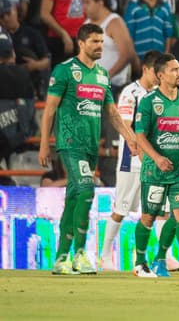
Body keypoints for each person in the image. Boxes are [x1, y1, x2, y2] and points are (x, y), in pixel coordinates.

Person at [39, 24, 139, 275]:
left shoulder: (102, 75)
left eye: (101, 42)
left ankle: (61, 258)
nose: (99, 46)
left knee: (74, 197)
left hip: (90, 144)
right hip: (70, 143)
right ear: (80, 43)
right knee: (86, 190)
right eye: (94, 41)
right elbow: (49, 110)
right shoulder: (65, 71)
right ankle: (81, 254)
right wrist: (44, 145)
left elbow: (112, 112)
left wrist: (129, 137)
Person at [130, 53, 179, 279]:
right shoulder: (149, 102)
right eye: (174, 70)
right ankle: (140, 263)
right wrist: (156, 158)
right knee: (149, 217)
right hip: (155, 171)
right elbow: (140, 136)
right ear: (160, 75)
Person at [100, 51, 159, 272]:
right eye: (156, 72)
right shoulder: (130, 93)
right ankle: (105, 256)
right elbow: (125, 125)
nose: (158, 77)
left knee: (156, 209)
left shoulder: (158, 95)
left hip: (152, 160)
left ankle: (162, 257)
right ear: (145, 69)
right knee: (121, 208)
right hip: (132, 160)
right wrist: (141, 148)